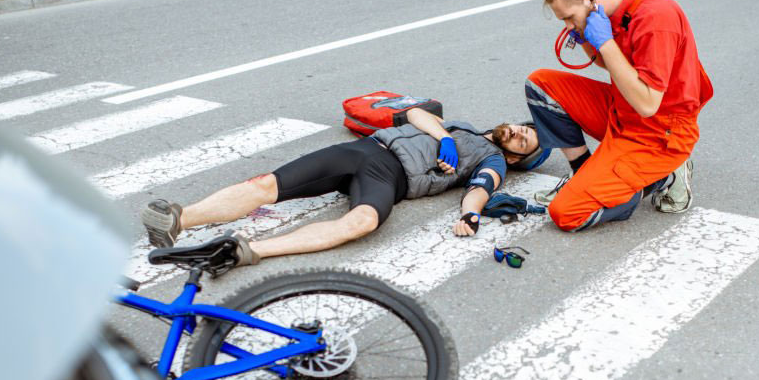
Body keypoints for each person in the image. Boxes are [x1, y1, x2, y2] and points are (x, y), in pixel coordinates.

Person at [141, 109, 541, 266]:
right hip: (365, 148)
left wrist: (471, 213)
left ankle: (246, 251)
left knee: (363, 221)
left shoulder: (491, 161)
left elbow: (481, 189)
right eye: (524, 129)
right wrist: (447, 137)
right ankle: (178, 217)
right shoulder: (462, 126)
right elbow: (416, 112)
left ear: (513, 158)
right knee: (267, 183)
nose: (522, 133)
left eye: (524, 142)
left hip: (391, 177)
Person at [526, 0, 713, 231]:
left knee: (566, 214)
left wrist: (605, 41)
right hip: (622, 111)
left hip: (659, 132)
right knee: (540, 84)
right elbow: (614, 63)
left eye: (568, 17)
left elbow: (648, 103)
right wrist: (590, 44)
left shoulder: (656, 16)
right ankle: (582, 173)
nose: (567, 25)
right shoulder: (614, 7)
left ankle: (661, 175)